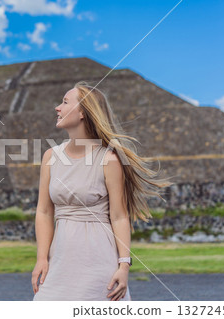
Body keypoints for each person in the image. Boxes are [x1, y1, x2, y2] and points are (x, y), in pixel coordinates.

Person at [31, 81, 174, 301]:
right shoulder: (50, 157)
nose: (57, 107)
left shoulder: (109, 160)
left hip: (98, 264)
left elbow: (119, 216)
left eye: (65, 102)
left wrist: (124, 266)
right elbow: (44, 212)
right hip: (58, 261)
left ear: (82, 113)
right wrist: (42, 258)